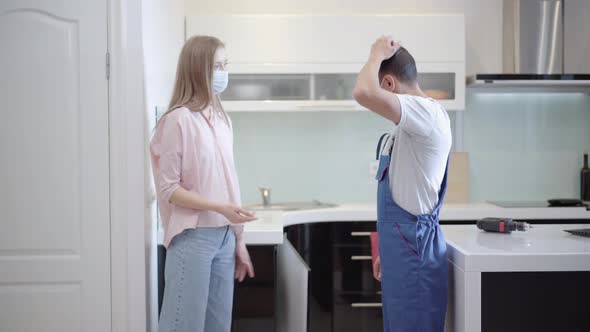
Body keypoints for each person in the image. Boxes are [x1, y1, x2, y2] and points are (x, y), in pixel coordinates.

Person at [150, 35, 257, 332]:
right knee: (183, 326)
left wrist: (239, 240)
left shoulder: (223, 120)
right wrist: (219, 208)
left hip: (224, 237)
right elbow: (169, 189)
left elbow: (229, 181)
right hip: (192, 238)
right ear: (197, 70)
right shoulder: (177, 121)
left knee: (218, 327)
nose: (223, 73)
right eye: (216, 66)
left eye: (225, 65)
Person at [353, 36, 452, 332]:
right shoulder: (405, 129)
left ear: (390, 85)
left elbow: (362, 91)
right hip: (402, 252)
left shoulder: (427, 113)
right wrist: (386, 249)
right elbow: (403, 189)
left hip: (415, 254)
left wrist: (375, 54)